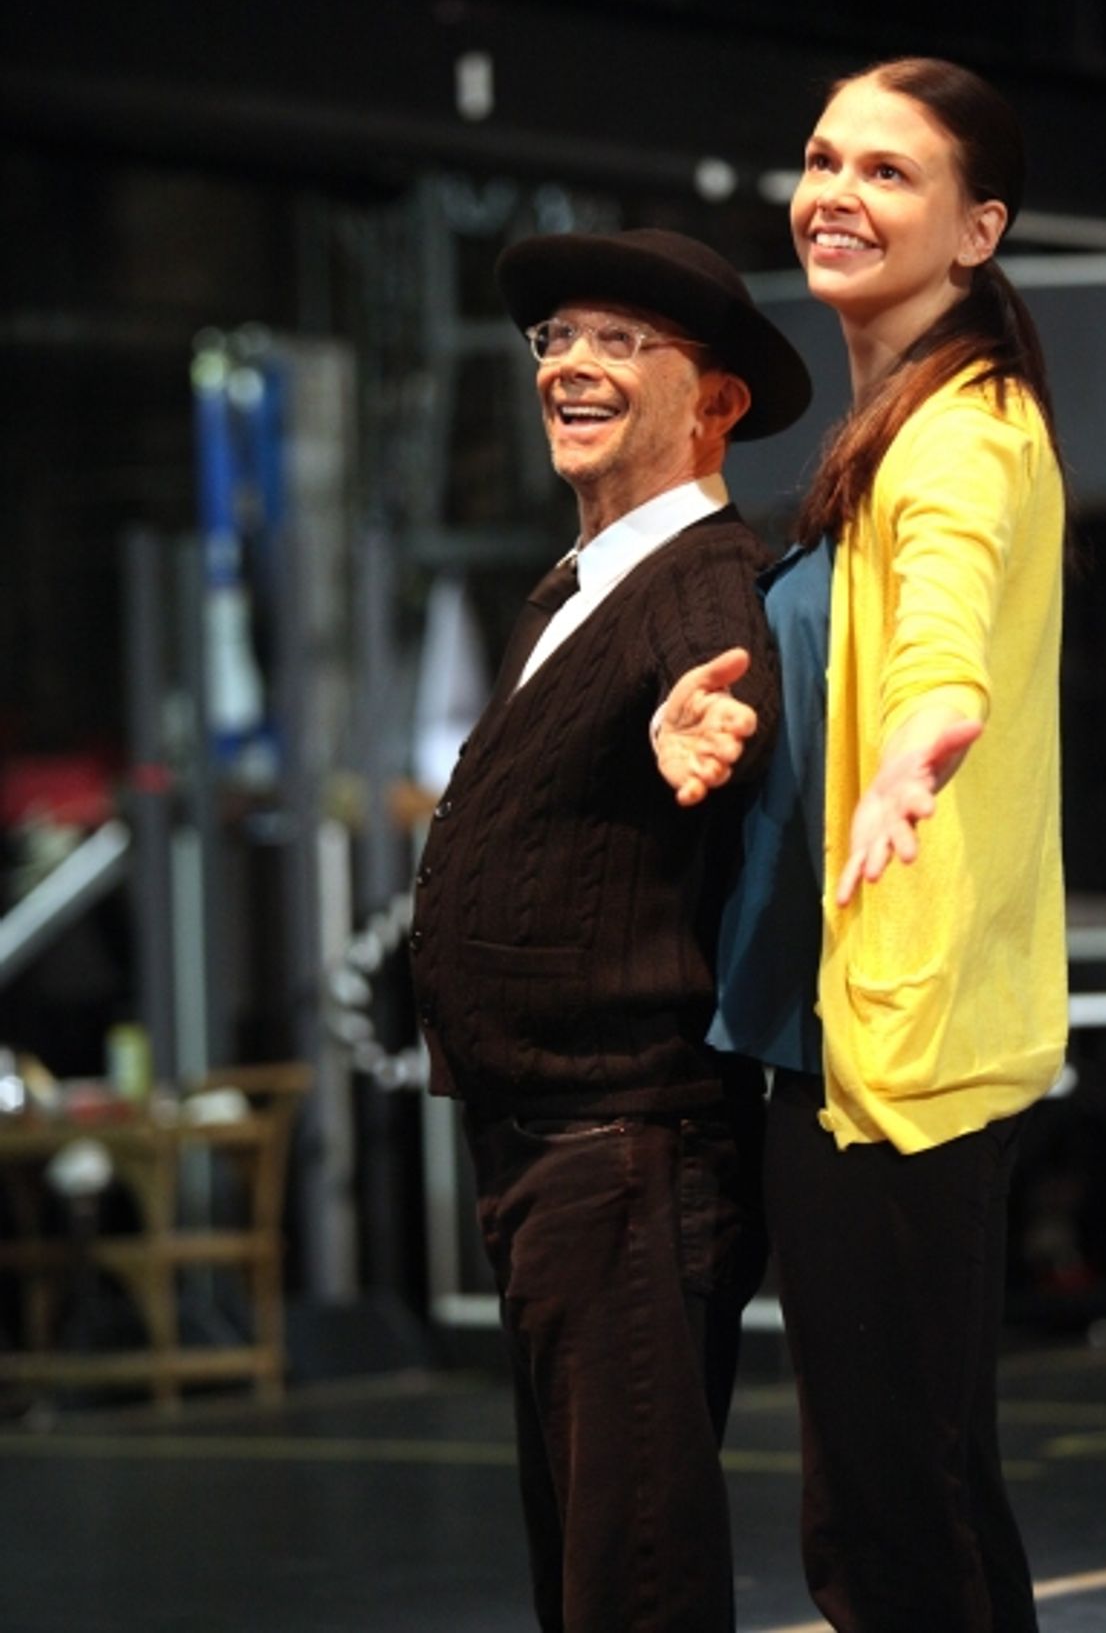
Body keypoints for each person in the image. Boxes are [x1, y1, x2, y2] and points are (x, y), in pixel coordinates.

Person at [656, 58, 1067, 1632]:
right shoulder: (885, 438)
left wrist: (925, 735)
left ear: (979, 230)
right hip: (834, 1040)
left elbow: (945, 625)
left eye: (889, 172)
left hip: (899, 1058)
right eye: (824, 158)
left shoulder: (961, 436)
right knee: (904, 1502)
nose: (835, 191)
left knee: (899, 1527)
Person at [409, 227, 812, 1633]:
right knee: (587, 1572)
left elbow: (720, 675)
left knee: (635, 1579)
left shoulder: (694, 573)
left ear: (718, 403)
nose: (572, 364)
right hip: (555, 1148)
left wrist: (708, 723)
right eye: (558, 339)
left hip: (625, 1151)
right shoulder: (579, 584)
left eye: (621, 342)